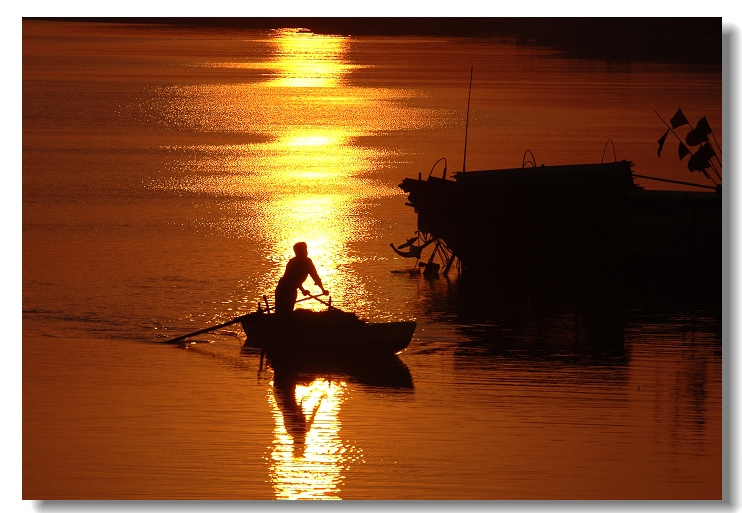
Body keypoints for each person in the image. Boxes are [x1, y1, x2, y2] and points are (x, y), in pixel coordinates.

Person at [274, 242, 328, 314]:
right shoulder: (294, 262)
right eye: (304, 250)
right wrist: (303, 290)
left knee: (287, 312)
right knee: (283, 313)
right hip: (284, 290)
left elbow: (315, 277)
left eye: (306, 250)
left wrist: (322, 289)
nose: (306, 252)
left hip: (291, 289)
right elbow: (292, 279)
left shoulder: (307, 262)